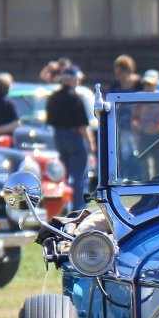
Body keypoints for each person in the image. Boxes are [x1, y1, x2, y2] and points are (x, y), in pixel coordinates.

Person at [46, 64, 94, 212]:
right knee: (80, 176)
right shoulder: (76, 98)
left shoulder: (53, 97)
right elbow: (82, 126)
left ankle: (63, 206)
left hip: (59, 137)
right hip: (75, 137)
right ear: (72, 79)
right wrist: (90, 142)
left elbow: (50, 121)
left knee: (63, 175)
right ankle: (79, 208)